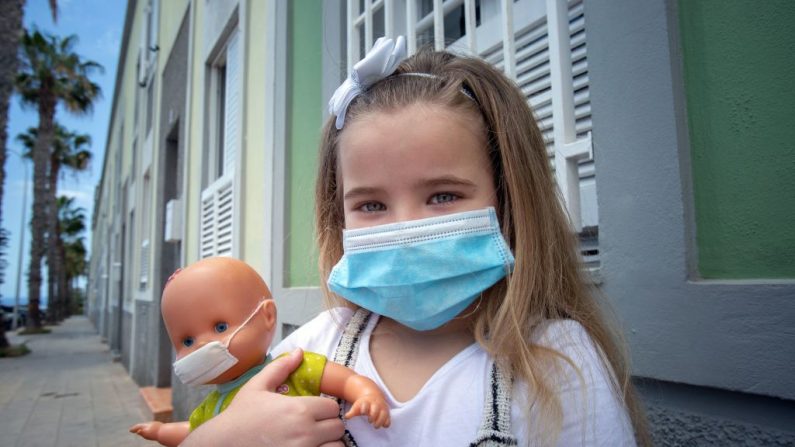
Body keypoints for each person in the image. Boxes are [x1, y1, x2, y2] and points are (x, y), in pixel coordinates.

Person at [183, 36, 650, 446]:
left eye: (443, 195)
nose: (404, 228)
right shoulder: (312, 348)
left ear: (509, 199)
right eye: (370, 205)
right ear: (337, 214)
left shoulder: (557, 365)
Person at [129, 257, 390, 447]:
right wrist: (161, 432)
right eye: (186, 341)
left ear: (267, 316)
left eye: (220, 326)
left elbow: (344, 379)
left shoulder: (291, 366)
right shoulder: (212, 406)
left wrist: (366, 393)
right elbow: (194, 431)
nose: (200, 345)